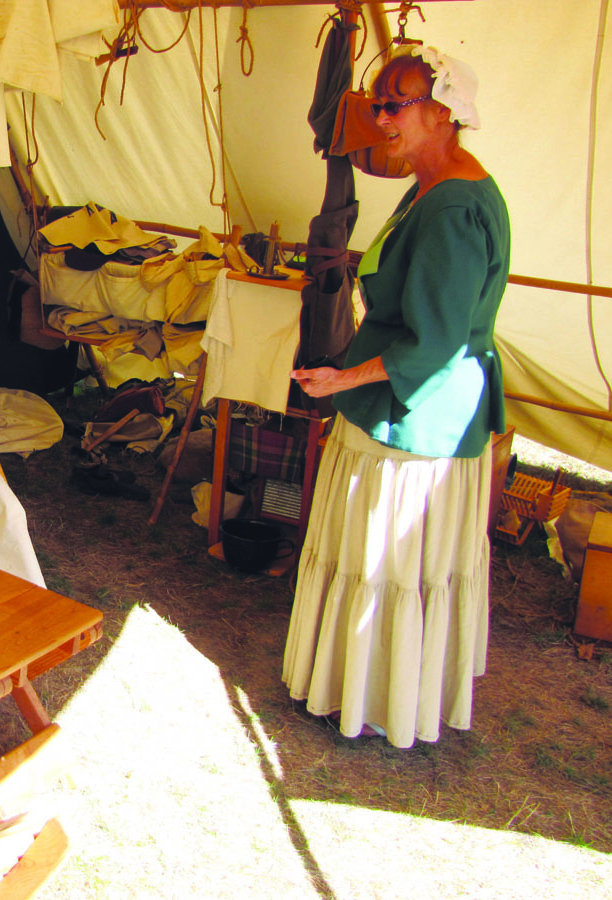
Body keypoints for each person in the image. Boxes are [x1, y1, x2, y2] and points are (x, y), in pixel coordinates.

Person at [283, 46, 511, 748]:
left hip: (416, 421)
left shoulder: (451, 209)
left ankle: (377, 700)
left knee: (390, 564)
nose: (381, 117)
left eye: (396, 102)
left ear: (444, 111)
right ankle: (367, 690)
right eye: (376, 101)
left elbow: (436, 341)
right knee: (387, 566)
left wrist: (342, 379)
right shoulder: (433, 185)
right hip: (416, 408)